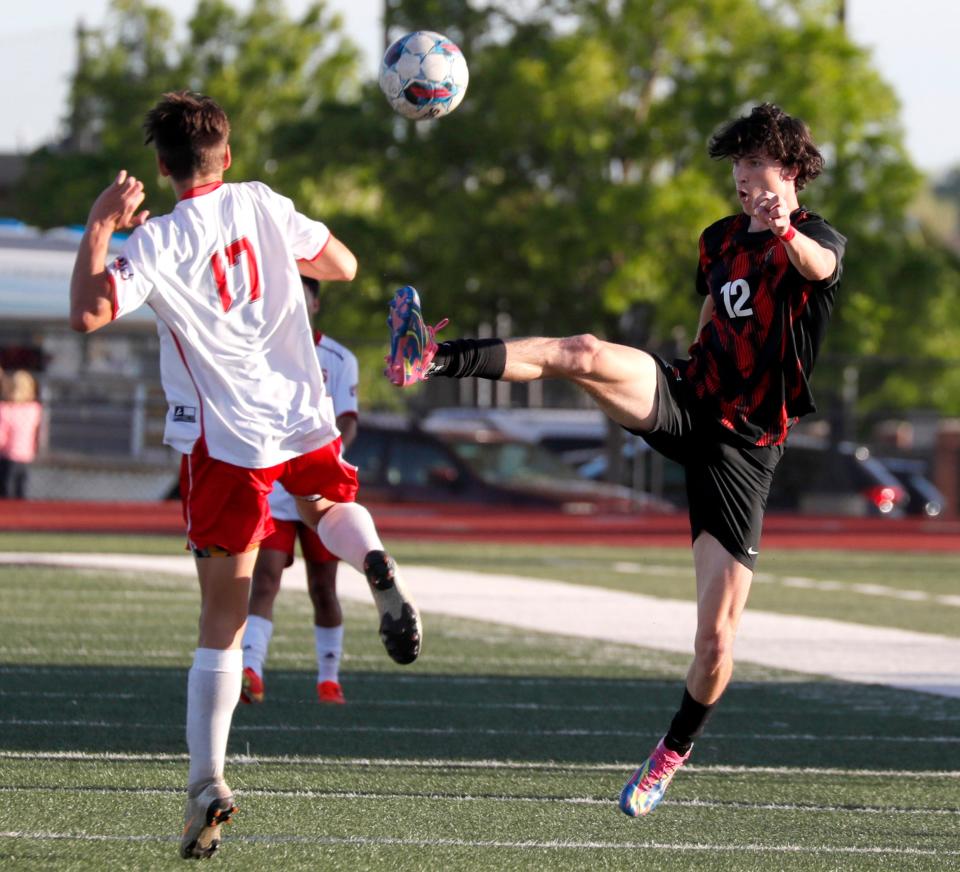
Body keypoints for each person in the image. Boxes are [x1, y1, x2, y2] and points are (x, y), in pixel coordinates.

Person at [386, 103, 845, 818]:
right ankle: (430, 357)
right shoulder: (718, 240)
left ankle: (671, 753)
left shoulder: (814, 237)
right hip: (688, 397)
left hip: (744, 450)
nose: (742, 177)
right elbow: (709, 315)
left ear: (787, 169)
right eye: (736, 166)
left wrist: (784, 223)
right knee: (585, 353)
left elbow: (818, 268)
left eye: (754, 164)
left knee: (716, 640)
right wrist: (689, 364)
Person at [69, 90, 422, 860]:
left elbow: (87, 314)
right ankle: (374, 560)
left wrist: (101, 225)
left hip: (225, 442)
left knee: (219, 626)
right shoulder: (261, 201)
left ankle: (207, 785)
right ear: (226, 157)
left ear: (162, 168)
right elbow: (344, 265)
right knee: (331, 501)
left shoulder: (155, 241)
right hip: (301, 410)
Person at [241, 276, 360, 706]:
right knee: (265, 578)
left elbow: (349, 417)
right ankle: (252, 669)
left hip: (322, 486)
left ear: (315, 303)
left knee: (324, 587)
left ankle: (329, 678)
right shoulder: (260, 352)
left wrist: (330, 456)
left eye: (302, 293)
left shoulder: (339, 358)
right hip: (274, 485)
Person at [0, 369, 43, 499]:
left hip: (8, 456)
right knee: (21, 489)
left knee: (6, 489)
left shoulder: (5, 410)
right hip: (25, 455)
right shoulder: (34, 409)